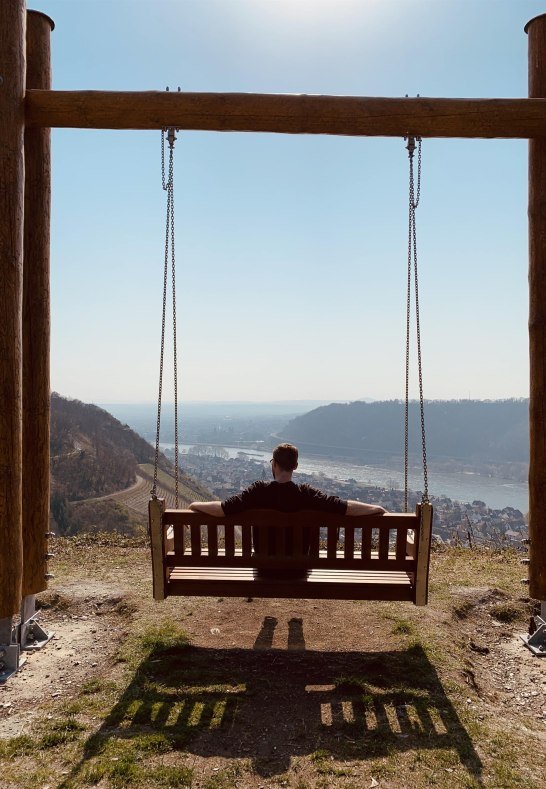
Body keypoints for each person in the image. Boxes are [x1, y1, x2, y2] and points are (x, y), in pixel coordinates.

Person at [189, 442, 386, 520]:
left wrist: (194, 503)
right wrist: (376, 508)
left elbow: (222, 509)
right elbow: (346, 507)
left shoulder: (257, 492)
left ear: (273, 464)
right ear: (296, 466)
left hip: (263, 565)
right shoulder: (307, 494)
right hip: (299, 568)